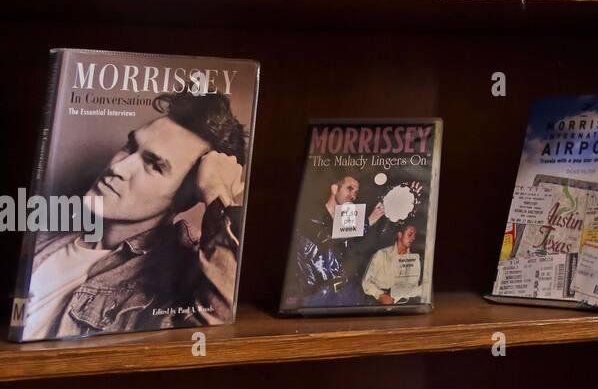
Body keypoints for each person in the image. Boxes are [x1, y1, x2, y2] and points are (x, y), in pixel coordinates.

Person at [20, 92, 248, 340]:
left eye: (154, 165)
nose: (118, 167)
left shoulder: (182, 273)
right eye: (130, 146)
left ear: (185, 198)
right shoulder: (44, 235)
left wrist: (218, 194)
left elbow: (211, 331)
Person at [294, 176, 385, 306]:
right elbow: (326, 238)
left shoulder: (348, 223)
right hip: (317, 295)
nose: (353, 195)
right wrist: (367, 223)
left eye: (355, 192)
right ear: (334, 189)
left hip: (347, 290)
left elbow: (356, 252)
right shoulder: (310, 216)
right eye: (349, 189)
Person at [362, 224, 419, 305]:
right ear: (400, 235)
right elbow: (366, 282)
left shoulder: (414, 260)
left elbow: (414, 288)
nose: (413, 238)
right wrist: (380, 295)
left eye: (414, 235)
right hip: (376, 304)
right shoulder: (381, 254)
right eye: (410, 234)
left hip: (402, 306)